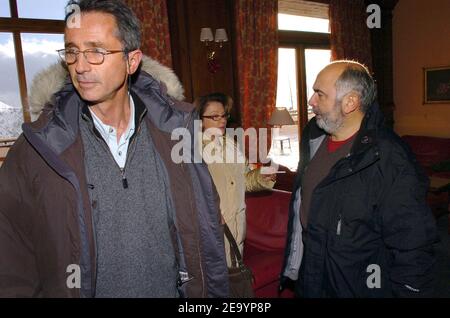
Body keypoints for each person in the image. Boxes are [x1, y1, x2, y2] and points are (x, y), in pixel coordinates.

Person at [0, 0, 229, 298]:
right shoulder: (38, 148)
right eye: (72, 51)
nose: (80, 66)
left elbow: (205, 236)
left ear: (131, 61)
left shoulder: (176, 132)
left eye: (96, 51)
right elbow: (9, 251)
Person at [280, 60, 438, 297]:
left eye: (319, 94)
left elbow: (412, 242)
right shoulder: (313, 136)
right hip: (311, 276)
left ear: (350, 102)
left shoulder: (388, 156)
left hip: (357, 284)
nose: (311, 101)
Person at [195, 93, 276, 266]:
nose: (222, 120)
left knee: (235, 280)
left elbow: (244, 181)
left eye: (224, 115)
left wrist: (262, 176)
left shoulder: (231, 144)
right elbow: (188, 193)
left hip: (237, 227)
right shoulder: (192, 150)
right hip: (211, 230)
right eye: (214, 116)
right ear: (200, 120)